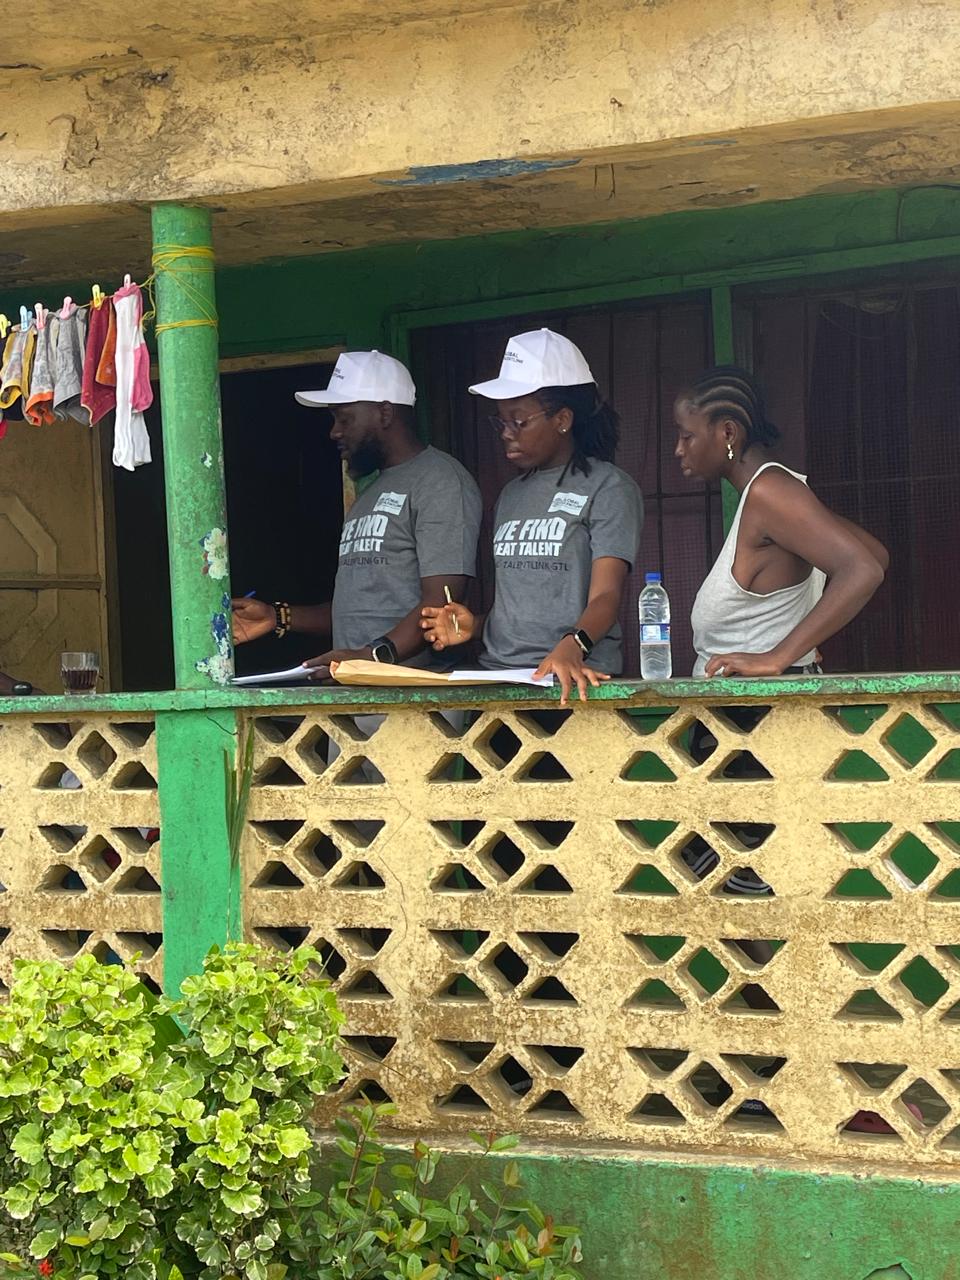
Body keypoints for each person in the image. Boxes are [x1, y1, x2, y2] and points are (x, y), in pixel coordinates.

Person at [420, 328, 643, 707]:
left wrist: (574, 646)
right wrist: (476, 625)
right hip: (500, 681)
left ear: (562, 419)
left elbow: (607, 594)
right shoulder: (511, 495)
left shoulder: (608, 487)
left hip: (573, 684)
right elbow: (526, 604)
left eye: (519, 421)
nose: (506, 434)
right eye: (500, 422)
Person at [232, 350, 483, 675]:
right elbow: (359, 609)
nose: (334, 431)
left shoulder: (440, 481)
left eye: (345, 418)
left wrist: (373, 657)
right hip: (358, 686)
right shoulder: (370, 491)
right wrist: (278, 617)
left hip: (416, 695)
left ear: (385, 413)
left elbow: (440, 605)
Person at [676, 365, 888, 680]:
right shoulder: (779, 492)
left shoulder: (770, 492)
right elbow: (876, 554)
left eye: (687, 436)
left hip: (761, 713)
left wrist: (780, 656)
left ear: (728, 433)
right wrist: (800, 641)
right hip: (744, 712)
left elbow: (864, 568)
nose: (678, 450)